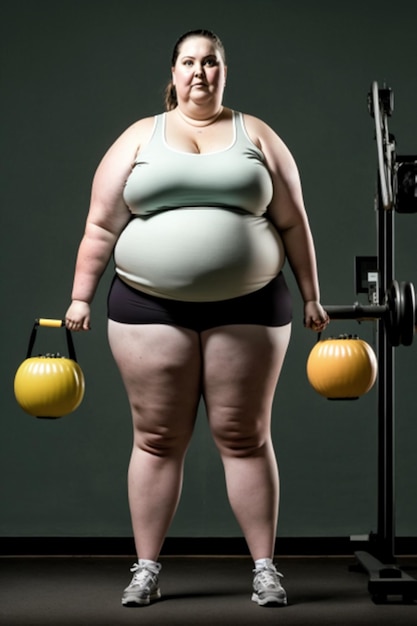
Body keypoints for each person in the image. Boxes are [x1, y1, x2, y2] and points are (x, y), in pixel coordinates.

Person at [65, 28, 329, 608]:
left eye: (211, 62)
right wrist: (81, 297)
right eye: (189, 62)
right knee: (157, 438)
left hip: (251, 305)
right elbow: (101, 226)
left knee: (245, 436)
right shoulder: (140, 136)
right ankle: (146, 569)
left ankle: (265, 570)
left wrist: (312, 294)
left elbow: (294, 222)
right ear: (175, 71)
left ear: (224, 72)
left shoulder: (256, 133)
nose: (200, 73)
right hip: (146, 306)